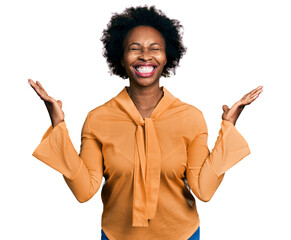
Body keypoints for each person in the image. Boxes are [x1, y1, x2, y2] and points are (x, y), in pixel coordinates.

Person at [28, 5, 263, 240]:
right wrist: (58, 125)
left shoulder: (190, 117)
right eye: (135, 48)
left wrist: (229, 127)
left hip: (182, 235)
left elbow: (203, 189)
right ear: (121, 58)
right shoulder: (98, 119)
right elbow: (83, 191)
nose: (145, 55)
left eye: (155, 48)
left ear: (166, 56)